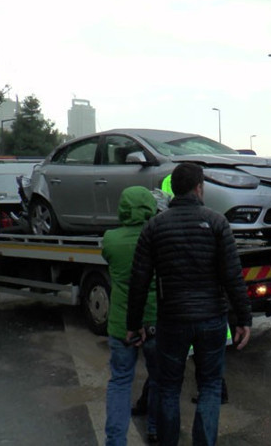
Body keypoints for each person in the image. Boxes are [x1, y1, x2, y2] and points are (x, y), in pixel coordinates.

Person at [126, 162, 252, 446]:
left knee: (169, 388)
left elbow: (139, 281)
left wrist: (133, 325)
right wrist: (244, 318)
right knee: (209, 386)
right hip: (212, 320)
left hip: (172, 321)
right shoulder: (218, 223)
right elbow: (232, 276)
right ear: (199, 188)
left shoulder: (154, 227)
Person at [103, 186, 160, 445]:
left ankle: (116, 441)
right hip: (155, 320)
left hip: (120, 324)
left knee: (120, 382)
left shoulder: (111, 239)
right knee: (160, 379)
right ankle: (155, 429)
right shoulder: (158, 237)